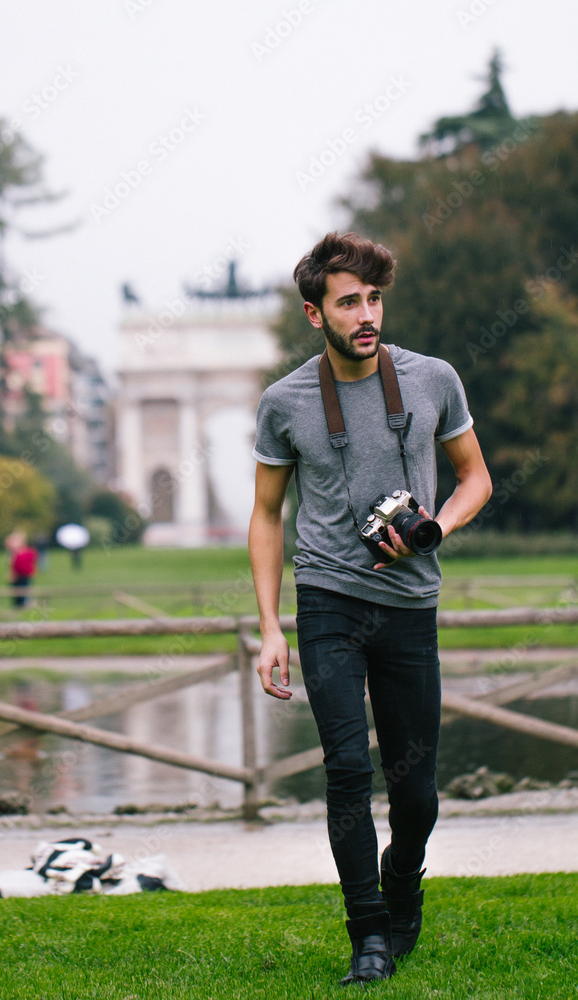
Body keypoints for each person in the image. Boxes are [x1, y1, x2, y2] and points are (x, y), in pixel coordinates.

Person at [248, 232, 492, 986]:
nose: (366, 315)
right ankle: (369, 936)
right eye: (349, 301)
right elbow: (265, 516)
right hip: (327, 602)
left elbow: (476, 478)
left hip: (409, 604)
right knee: (348, 769)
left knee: (415, 791)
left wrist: (433, 530)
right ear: (314, 314)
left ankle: (403, 877)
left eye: (374, 299)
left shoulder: (432, 379)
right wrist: (269, 628)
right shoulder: (284, 401)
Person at [8, 532, 38, 608]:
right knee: (17, 590)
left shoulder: (27, 552)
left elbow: (32, 562)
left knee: (24, 589)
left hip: (25, 574)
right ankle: (19, 604)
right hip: (18, 574)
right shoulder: (15, 553)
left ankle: (24, 603)